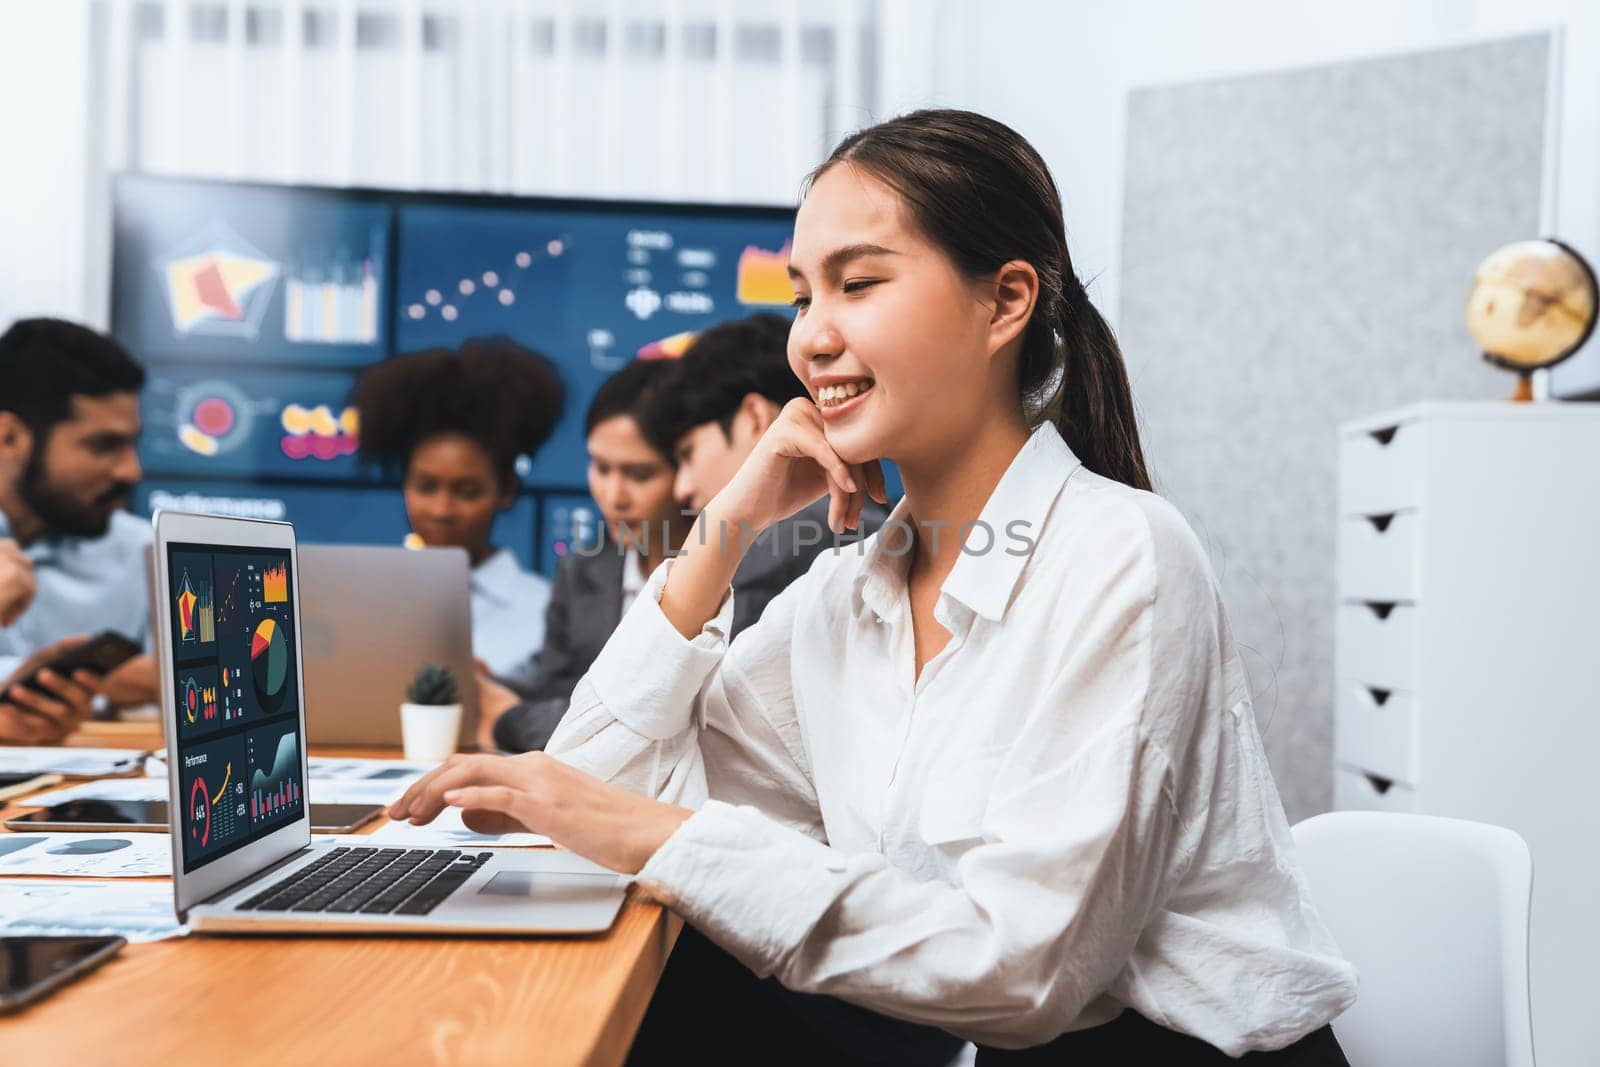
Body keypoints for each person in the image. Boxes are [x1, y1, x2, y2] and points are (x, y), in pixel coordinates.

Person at [390, 109, 1357, 1065]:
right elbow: (587, 795)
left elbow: (1028, 972)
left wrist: (659, 833)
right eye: (803, 297)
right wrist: (723, 527)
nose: (812, 336)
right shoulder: (845, 595)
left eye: (858, 284)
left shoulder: (1124, 552)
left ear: (1006, 302)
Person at [481, 358, 692, 751]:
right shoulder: (582, 571)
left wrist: (511, 718)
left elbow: (663, 725)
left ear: (690, 468)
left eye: (639, 474)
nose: (613, 497)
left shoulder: (740, 573)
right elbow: (553, 692)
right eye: (601, 467)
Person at [645, 313, 886, 636]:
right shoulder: (860, 524)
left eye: (688, 453)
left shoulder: (795, 537)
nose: (681, 489)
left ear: (754, 418)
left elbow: (680, 685)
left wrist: (725, 523)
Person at [352, 338, 564, 688]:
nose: (441, 510)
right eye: (426, 487)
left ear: (506, 490)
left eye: (467, 492)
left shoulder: (552, 611)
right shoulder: (364, 603)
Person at [0, 318, 157, 713]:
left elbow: (168, 686)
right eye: (104, 445)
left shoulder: (145, 552)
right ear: (9, 438)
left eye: (131, 444)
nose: (130, 471)